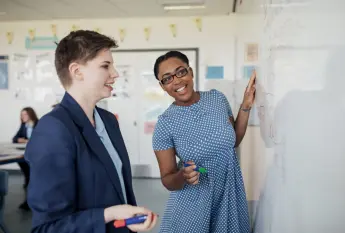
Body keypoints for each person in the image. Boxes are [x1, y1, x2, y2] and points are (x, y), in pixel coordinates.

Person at [24, 30, 157, 233]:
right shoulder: (53, 129)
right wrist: (109, 215)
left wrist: (130, 220)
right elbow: (47, 228)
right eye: (105, 66)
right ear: (77, 71)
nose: (115, 73)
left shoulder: (108, 121)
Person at [152, 51, 256, 233]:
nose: (176, 81)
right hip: (194, 205)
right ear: (162, 86)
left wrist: (245, 105)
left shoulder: (217, 99)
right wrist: (182, 176)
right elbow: (167, 178)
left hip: (228, 194)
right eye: (167, 78)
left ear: (191, 72)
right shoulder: (165, 123)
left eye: (181, 72)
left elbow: (233, 141)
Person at [12, 106, 38, 210]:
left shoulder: (39, 123)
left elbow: (40, 139)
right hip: (26, 152)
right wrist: (20, 140)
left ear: (31, 114)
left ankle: (30, 181)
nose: (23, 117)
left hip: (36, 153)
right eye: (22, 115)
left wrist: (27, 140)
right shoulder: (24, 125)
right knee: (21, 161)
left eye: (25, 114)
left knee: (28, 165)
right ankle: (28, 179)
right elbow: (14, 138)